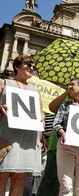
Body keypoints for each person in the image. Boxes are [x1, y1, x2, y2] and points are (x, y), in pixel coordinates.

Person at [0, 55, 44, 196]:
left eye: (33, 66)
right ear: (17, 66)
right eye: (28, 64)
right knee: (2, 175)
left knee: (20, 178)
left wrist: (41, 119)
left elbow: (40, 113)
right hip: (6, 137)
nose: (32, 68)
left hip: (28, 138)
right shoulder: (3, 83)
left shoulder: (35, 89)